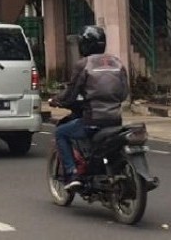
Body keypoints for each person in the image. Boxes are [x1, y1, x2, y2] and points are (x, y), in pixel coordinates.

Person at [51, 25, 129, 190]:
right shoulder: (117, 63)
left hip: (93, 121)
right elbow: (124, 94)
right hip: (116, 121)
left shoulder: (84, 64)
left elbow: (70, 95)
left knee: (61, 133)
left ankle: (72, 173)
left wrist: (57, 100)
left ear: (83, 45)